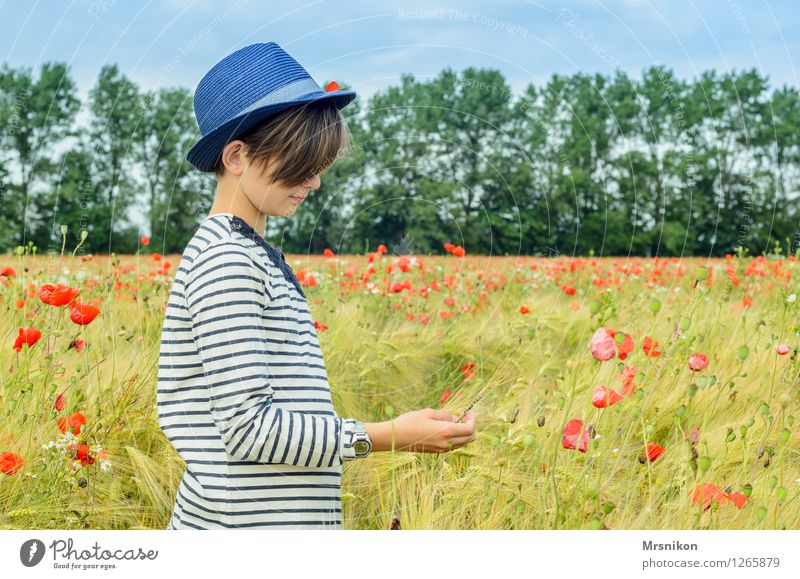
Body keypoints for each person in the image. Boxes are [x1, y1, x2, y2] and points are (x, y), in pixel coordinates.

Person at [156, 42, 477, 530]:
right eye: (301, 164)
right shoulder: (226, 260)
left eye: (319, 166)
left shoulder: (251, 252)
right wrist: (391, 434)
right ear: (237, 155)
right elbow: (249, 430)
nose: (315, 183)